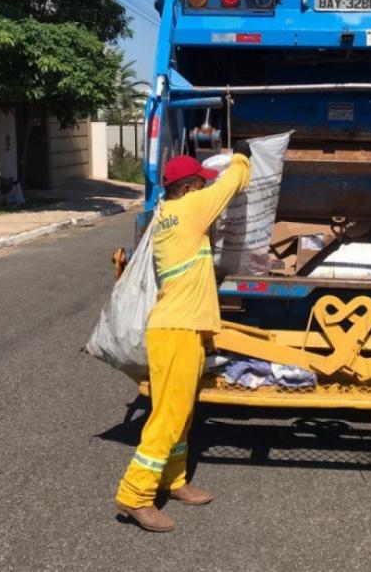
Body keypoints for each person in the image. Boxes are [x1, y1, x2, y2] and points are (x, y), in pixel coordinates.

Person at [116, 143, 251, 532]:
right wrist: (241, 157)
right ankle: (135, 494)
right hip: (175, 331)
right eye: (199, 182)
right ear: (188, 188)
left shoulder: (168, 213)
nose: (203, 187)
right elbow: (234, 183)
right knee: (168, 416)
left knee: (182, 414)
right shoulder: (190, 210)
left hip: (180, 329)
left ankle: (173, 480)